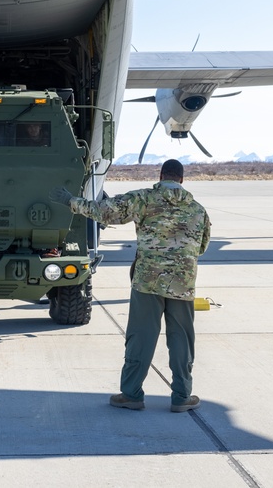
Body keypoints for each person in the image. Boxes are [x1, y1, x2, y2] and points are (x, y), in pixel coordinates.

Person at [49, 159, 210, 413]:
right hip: (183, 285)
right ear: (182, 179)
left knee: (141, 337)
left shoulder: (143, 199)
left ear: (161, 175)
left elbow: (104, 210)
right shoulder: (199, 210)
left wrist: (72, 201)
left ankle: (132, 394)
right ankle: (181, 396)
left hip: (148, 281)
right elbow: (201, 247)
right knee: (181, 339)